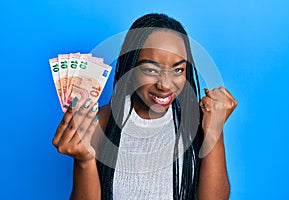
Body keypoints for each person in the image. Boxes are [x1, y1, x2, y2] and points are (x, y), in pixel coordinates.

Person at [52, 13, 237, 200]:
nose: (165, 85)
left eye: (178, 69)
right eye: (150, 70)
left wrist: (214, 130)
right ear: (130, 69)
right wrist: (84, 161)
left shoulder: (195, 123)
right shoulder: (101, 122)